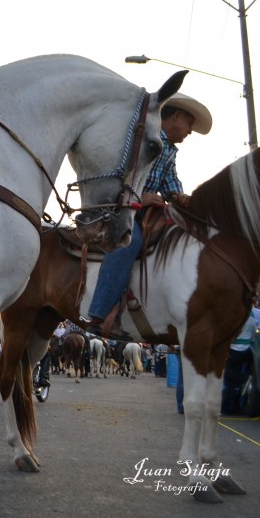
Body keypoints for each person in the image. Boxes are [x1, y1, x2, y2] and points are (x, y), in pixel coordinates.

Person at [85, 93, 212, 339]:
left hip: (147, 211)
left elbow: (170, 184)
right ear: (176, 116)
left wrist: (184, 199)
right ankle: (98, 316)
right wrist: (139, 198)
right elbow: (114, 175)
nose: (190, 132)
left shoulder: (169, 151)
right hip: (121, 208)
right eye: (190, 124)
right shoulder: (140, 140)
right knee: (128, 241)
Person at [221, 297, 260, 415]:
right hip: (247, 347)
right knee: (233, 382)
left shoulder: (236, 315)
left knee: (229, 379)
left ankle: (225, 408)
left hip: (234, 348)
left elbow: (229, 332)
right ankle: (236, 407)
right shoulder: (253, 314)